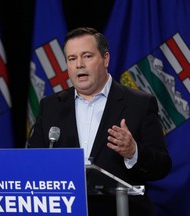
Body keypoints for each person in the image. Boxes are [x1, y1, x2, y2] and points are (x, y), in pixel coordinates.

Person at [28, 27, 172, 216]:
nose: (79, 64)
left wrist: (133, 152)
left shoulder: (139, 103)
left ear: (105, 59)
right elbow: (32, 163)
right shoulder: (51, 107)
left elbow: (162, 165)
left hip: (120, 210)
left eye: (87, 56)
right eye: (72, 59)